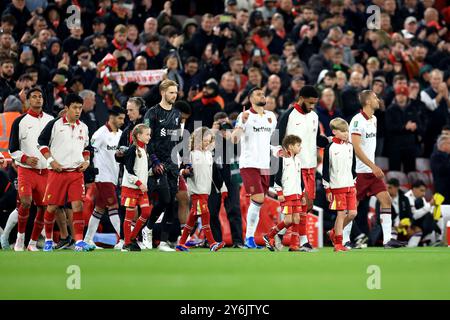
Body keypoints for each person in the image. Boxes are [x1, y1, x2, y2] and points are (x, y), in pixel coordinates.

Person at [37, 93, 95, 252]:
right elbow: (41, 143)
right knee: (52, 207)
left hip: (76, 173)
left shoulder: (84, 127)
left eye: (80, 108)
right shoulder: (54, 124)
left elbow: (87, 148)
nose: (78, 111)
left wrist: (86, 161)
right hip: (57, 172)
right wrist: (50, 161)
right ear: (66, 108)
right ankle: (48, 240)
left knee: (78, 206)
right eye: (75, 108)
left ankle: (79, 241)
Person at [348, 90, 405, 249]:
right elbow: (356, 148)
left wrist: (373, 167)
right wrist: (373, 166)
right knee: (352, 208)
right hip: (359, 172)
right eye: (374, 98)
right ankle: (343, 238)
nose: (378, 100)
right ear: (367, 102)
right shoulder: (357, 121)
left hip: (371, 172)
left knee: (386, 200)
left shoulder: (373, 119)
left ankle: (387, 240)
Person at [276, 85, 329, 252]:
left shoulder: (314, 116)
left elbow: (314, 140)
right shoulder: (288, 115)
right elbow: (275, 140)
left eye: (315, 103)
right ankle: (300, 242)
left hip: (310, 166)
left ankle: (277, 234)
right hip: (294, 168)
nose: (312, 106)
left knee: (307, 206)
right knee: (299, 207)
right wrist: (281, 163)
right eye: (310, 102)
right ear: (301, 98)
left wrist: (327, 141)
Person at [8, 86, 54, 251]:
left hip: (45, 171)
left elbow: (55, 144)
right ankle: (20, 239)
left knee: (44, 207)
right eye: (34, 96)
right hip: (26, 170)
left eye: (40, 96)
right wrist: (26, 158)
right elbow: (12, 149)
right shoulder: (20, 121)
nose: (38, 99)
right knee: (26, 203)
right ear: (28, 101)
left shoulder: (51, 120)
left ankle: (33, 243)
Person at [231, 87, 277, 249]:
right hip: (249, 164)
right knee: (258, 198)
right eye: (258, 94)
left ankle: (249, 238)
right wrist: (241, 123)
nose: (262, 95)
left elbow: (269, 141)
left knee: (258, 202)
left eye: (263, 93)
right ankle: (249, 238)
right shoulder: (245, 116)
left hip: (265, 164)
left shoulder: (271, 117)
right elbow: (234, 140)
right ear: (250, 99)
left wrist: (277, 151)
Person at [143, 80, 181, 252]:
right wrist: (154, 160)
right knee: (165, 199)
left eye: (176, 92)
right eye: (171, 92)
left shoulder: (177, 114)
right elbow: (147, 139)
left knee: (171, 202)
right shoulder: (152, 113)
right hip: (158, 162)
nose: (175, 95)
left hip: (173, 163)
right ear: (163, 92)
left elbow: (178, 139)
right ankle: (148, 228)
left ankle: (164, 242)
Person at [176, 127, 225, 252]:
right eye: (205, 141)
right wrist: (185, 171)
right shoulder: (190, 154)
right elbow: (180, 170)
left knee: (192, 218)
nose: (207, 143)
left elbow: (212, 173)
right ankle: (212, 243)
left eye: (209, 141)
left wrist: (221, 187)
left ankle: (181, 243)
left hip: (206, 191)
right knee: (206, 214)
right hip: (196, 191)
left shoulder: (209, 154)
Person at [83, 106, 126, 248]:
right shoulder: (100, 133)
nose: (122, 121)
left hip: (113, 176)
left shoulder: (121, 134)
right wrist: (90, 173)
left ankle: (88, 239)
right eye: (120, 118)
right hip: (102, 176)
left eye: (123, 119)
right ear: (111, 117)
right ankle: (124, 240)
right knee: (113, 205)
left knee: (99, 209)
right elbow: (89, 150)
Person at [263, 134, 304, 252]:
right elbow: (277, 179)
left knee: (296, 219)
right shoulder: (282, 161)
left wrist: (302, 194)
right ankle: (269, 235)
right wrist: (280, 193)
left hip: (296, 196)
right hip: (287, 196)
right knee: (288, 220)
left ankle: (294, 245)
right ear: (290, 146)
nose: (300, 147)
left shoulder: (298, 161)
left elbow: (299, 179)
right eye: (298, 145)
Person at [322, 118, 357, 252]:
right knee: (341, 214)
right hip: (337, 187)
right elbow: (326, 169)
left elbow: (353, 166)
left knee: (353, 213)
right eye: (342, 131)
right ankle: (338, 244)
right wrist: (327, 189)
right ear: (334, 132)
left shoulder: (350, 147)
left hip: (350, 185)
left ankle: (333, 232)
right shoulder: (330, 148)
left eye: (347, 131)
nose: (346, 134)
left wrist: (354, 181)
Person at [121, 124, 153, 252]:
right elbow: (128, 171)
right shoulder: (132, 150)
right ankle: (127, 242)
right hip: (131, 188)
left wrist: (150, 173)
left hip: (141, 189)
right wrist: (139, 183)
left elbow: (140, 169)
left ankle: (132, 237)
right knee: (129, 215)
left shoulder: (144, 150)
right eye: (147, 134)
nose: (149, 137)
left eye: (149, 134)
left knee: (146, 212)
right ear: (138, 135)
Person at [405, 180, 441, 247]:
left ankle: (435, 238)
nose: (424, 194)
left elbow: (425, 211)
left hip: (418, 221)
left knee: (437, 215)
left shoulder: (421, 198)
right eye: (421, 190)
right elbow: (414, 215)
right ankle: (435, 237)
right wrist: (430, 204)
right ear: (414, 189)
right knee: (429, 217)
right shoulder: (407, 198)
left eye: (424, 191)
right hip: (407, 223)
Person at [430, 134, 450, 205]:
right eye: (449, 143)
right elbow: (441, 170)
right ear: (443, 145)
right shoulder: (436, 156)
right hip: (442, 192)